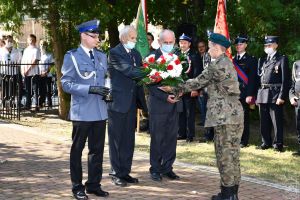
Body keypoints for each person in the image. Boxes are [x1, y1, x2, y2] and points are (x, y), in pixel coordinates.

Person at [160, 33, 243, 200]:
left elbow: (197, 82)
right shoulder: (227, 63)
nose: (208, 50)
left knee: (224, 155)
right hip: (234, 115)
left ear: (217, 48)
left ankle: (228, 195)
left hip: (224, 116)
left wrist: (174, 88)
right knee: (233, 155)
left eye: (210, 46)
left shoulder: (216, 65)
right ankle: (232, 193)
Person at [61, 19, 110, 199]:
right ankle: (77, 187)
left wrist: (107, 91)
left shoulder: (101, 56)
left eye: (98, 36)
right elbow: (66, 84)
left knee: (97, 151)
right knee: (77, 150)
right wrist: (89, 89)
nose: (97, 39)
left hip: (99, 110)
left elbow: (104, 79)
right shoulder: (72, 56)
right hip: (82, 112)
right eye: (94, 36)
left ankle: (93, 184)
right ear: (83, 36)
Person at [108, 25, 147, 187]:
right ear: (124, 38)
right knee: (116, 140)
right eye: (132, 38)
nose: (135, 40)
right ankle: (116, 173)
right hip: (117, 103)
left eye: (135, 38)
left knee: (129, 140)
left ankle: (125, 172)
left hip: (131, 103)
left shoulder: (136, 54)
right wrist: (152, 71)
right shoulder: (114, 53)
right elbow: (129, 71)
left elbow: (138, 80)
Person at [148, 29, 183, 182]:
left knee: (171, 138)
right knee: (158, 138)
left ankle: (167, 167)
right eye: (166, 42)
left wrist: (180, 90)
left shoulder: (177, 58)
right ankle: (155, 169)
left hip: (174, 105)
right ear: (159, 42)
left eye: (171, 42)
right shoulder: (151, 59)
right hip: (159, 106)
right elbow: (149, 85)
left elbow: (181, 79)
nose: (169, 45)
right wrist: (164, 96)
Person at [256, 36, 290, 152]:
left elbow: (286, 81)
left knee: (276, 120)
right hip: (263, 92)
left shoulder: (282, 59)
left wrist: (281, 96)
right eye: (265, 46)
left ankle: (278, 144)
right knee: (264, 120)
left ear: (276, 45)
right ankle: (266, 142)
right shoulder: (264, 60)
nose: (267, 47)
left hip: (275, 93)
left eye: (269, 45)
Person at [233, 34, 258, 148]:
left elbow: (253, 79)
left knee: (243, 118)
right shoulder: (232, 59)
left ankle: (244, 140)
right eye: (237, 44)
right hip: (233, 93)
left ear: (246, 45)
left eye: (241, 44)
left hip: (244, 93)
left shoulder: (251, 60)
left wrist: (250, 95)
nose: (238, 46)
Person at [176, 33, 202, 142]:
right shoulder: (176, 56)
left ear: (189, 44)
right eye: (181, 43)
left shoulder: (194, 56)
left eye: (185, 43)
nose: (182, 45)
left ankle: (190, 134)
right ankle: (181, 133)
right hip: (179, 88)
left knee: (189, 112)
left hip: (190, 88)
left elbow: (197, 73)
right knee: (180, 112)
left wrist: (195, 88)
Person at [196, 39, 214, 142]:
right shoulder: (205, 56)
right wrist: (201, 89)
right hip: (206, 89)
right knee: (205, 113)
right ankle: (208, 134)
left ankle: (214, 135)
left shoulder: (218, 55)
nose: (201, 48)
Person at [21, 34, 41, 111]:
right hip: (26, 73)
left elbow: (35, 61)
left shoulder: (36, 50)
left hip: (34, 73)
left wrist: (28, 69)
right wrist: (23, 70)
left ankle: (36, 105)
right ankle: (28, 105)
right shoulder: (25, 50)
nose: (31, 41)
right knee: (27, 90)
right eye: (30, 40)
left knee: (35, 90)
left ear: (35, 41)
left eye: (33, 40)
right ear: (27, 41)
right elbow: (23, 61)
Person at [39, 40, 54, 107]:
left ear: (46, 46)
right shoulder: (38, 54)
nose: (42, 46)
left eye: (44, 44)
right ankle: (41, 102)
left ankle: (49, 103)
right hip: (40, 75)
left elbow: (51, 64)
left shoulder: (49, 55)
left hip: (47, 75)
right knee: (41, 90)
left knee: (48, 90)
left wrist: (46, 72)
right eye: (41, 44)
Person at [289, 60, 300, 156]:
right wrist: (291, 97)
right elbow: (292, 84)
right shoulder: (296, 64)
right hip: (298, 100)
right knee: (299, 125)